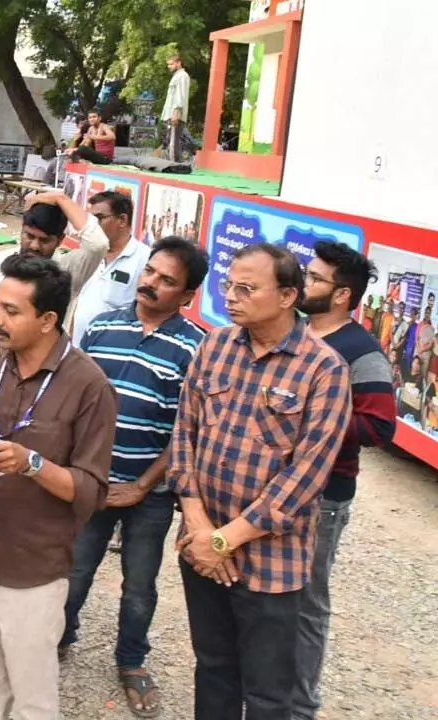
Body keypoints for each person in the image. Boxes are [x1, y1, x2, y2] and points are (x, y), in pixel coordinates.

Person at [169, 242, 352, 719]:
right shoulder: (213, 346)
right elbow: (183, 436)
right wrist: (199, 526)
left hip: (270, 562)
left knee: (269, 692)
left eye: (247, 288)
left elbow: (307, 474)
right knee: (213, 668)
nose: (232, 296)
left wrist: (224, 541)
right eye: (229, 285)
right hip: (200, 542)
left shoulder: (324, 369)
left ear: (288, 295)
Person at [0, 254, 116, 720]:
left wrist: (32, 464)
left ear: (48, 320)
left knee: (32, 697)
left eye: (11, 311)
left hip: (33, 574)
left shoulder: (89, 386)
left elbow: (89, 491)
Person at [61, 236, 210, 717]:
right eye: (151, 271)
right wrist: (84, 473)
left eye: (168, 281)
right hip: (93, 483)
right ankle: (59, 637)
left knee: (139, 582)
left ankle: (131, 660)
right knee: (76, 568)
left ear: (187, 296)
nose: (150, 283)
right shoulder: (101, 327)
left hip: (150, 492)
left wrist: (144, 486)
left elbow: (187, 430)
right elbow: (77, 404)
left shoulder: (195, 347)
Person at [294, 241, 396, 719]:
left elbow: (378, 428)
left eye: (313, 279)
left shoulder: (361, 351)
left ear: (341, 296)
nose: (303, 283)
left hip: (323, 497)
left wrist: (310, 416)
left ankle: (300, 705)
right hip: (273, 488)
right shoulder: (292, 331)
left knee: (305, 604)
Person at [0, 192, 109, 320]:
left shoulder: (68, 269)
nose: (34, 246)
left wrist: (61, 199)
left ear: (60, 240)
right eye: (29, 236)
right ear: (22, 229)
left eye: (44, 240)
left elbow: (98, 245)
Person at [70, 191, 151, 348]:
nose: (93, 226)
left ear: (122, 220)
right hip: (77, 352)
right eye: (91, 220)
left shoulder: (144, 260)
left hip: (113, 354)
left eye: (99, 219)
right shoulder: (89, 253)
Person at [161, 54, 193, 163]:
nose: (169, 66)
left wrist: (176, 112)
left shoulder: (182, 76)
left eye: (171, 64)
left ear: (178, 63)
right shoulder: (177, 76)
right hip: (171, 113)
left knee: (173, 141)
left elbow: (181, 95)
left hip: (175, 114)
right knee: (171, 140)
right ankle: (175, 163)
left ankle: (175, 164)